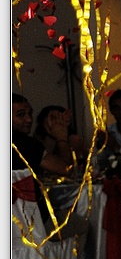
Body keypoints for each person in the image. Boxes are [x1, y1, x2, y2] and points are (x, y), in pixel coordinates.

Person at [11, 94, 89, 238]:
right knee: (81, 224)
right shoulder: (25, 144)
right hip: (34, 225)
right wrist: (61, 136)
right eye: (21, 115)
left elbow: (44, 159)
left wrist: (52, 135)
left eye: (30, 114)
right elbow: (65, 169)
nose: (29, 119)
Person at [35, 105, 89, 174]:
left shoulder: (74, 139)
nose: (56, 122)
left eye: (60, 118)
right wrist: (52, 134)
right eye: (53, 118)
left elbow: (75, 167)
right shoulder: (37, 141)